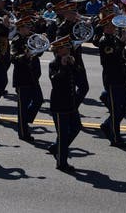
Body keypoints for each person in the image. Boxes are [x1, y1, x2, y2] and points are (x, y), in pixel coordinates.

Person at [98, 12, 126, 146]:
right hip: (112, 78)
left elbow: (120, 56)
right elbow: (111, 56)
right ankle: (115, 138)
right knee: (116, 108)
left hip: (122, 76)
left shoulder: (113, 38)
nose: (114, 27)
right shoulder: (104, 40)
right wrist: (122, 41)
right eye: (111, 25)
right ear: (106, 27)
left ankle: (108, 124)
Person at [49, 35, 81, 173]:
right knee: (63, 135)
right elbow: (55, 80)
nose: (68, 49)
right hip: (59, 104)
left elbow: (79, 76)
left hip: (71, 103)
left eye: (68, 47)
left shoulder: (70, 61)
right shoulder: (54, 64)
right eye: (65, 47)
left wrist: (74, 64)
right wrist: (62, 66)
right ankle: (61, 162)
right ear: (58, 50)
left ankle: (58, 148)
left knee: (76, 128)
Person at [10, 14, 44, 141]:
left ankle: (26, 119)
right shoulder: (16, 40)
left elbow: (40, 52)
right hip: (22, 77)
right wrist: (26, 55)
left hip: (34, 75)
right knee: (22, 106)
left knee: (38, 100)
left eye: (29, 26)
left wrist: (41, 43)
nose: (29, 28)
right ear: (20, 28)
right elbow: (13, 58)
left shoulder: (32, 37)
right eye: (26, 26)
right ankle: (23, 133)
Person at [55, 1, 89, 109]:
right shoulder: (62, 27)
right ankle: (72, 112)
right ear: (66, 14)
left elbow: (87, 35)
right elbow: (58, 46)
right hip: (68, 60)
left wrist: (88, 26)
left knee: (84, 88)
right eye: (72, 13)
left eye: (75, 12)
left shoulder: (78, 24)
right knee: (71, 89)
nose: (75, 14)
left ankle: (73, 108)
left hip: (78, 59)